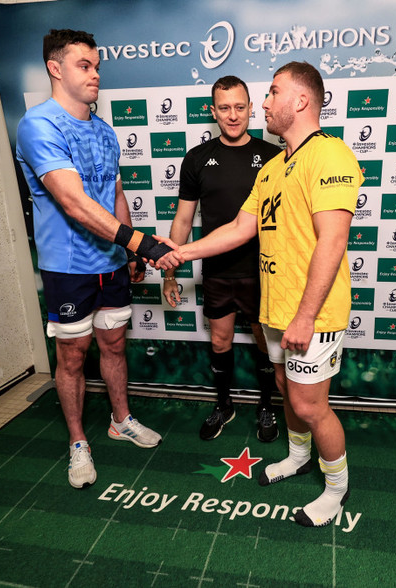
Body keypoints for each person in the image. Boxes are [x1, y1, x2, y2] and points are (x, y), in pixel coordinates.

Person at [156, 61, 363, 527]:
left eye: (272, 93)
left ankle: (335, 489)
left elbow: (332, 241)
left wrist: (306, 316)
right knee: (289, 391)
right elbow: (237, 228)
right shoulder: (272, 167)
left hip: (313, 315)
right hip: (275, 308)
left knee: (311, 404)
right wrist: (181, 253)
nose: (263, 103)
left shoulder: (330, 155)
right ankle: (296, 456)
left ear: (301, 101)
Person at [16, 29, 176, 489]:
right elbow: (75, 203)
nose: (95, 74)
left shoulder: (104, 130)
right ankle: (77, 442)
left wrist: (127, 250)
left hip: (111, 263)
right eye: (84, 65)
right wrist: (144, 243)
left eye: (97, 66)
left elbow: (115, 195)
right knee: (71, 358)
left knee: (114, 345)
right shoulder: (39, 124)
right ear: (55, 68)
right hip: (68, 269)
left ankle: (120, 420)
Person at [163, 76, 281, 442]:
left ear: (251, 108)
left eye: (240, 107)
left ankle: (266, 405)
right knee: (220, 343)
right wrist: (170, 271)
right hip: (216, 271)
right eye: (225, 108)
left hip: (263, 272)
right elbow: (183, 219)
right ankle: (224, 404)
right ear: (213, 112)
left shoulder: (274, 157)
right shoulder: (196, 159)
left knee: (265, 343)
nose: (233, 116)